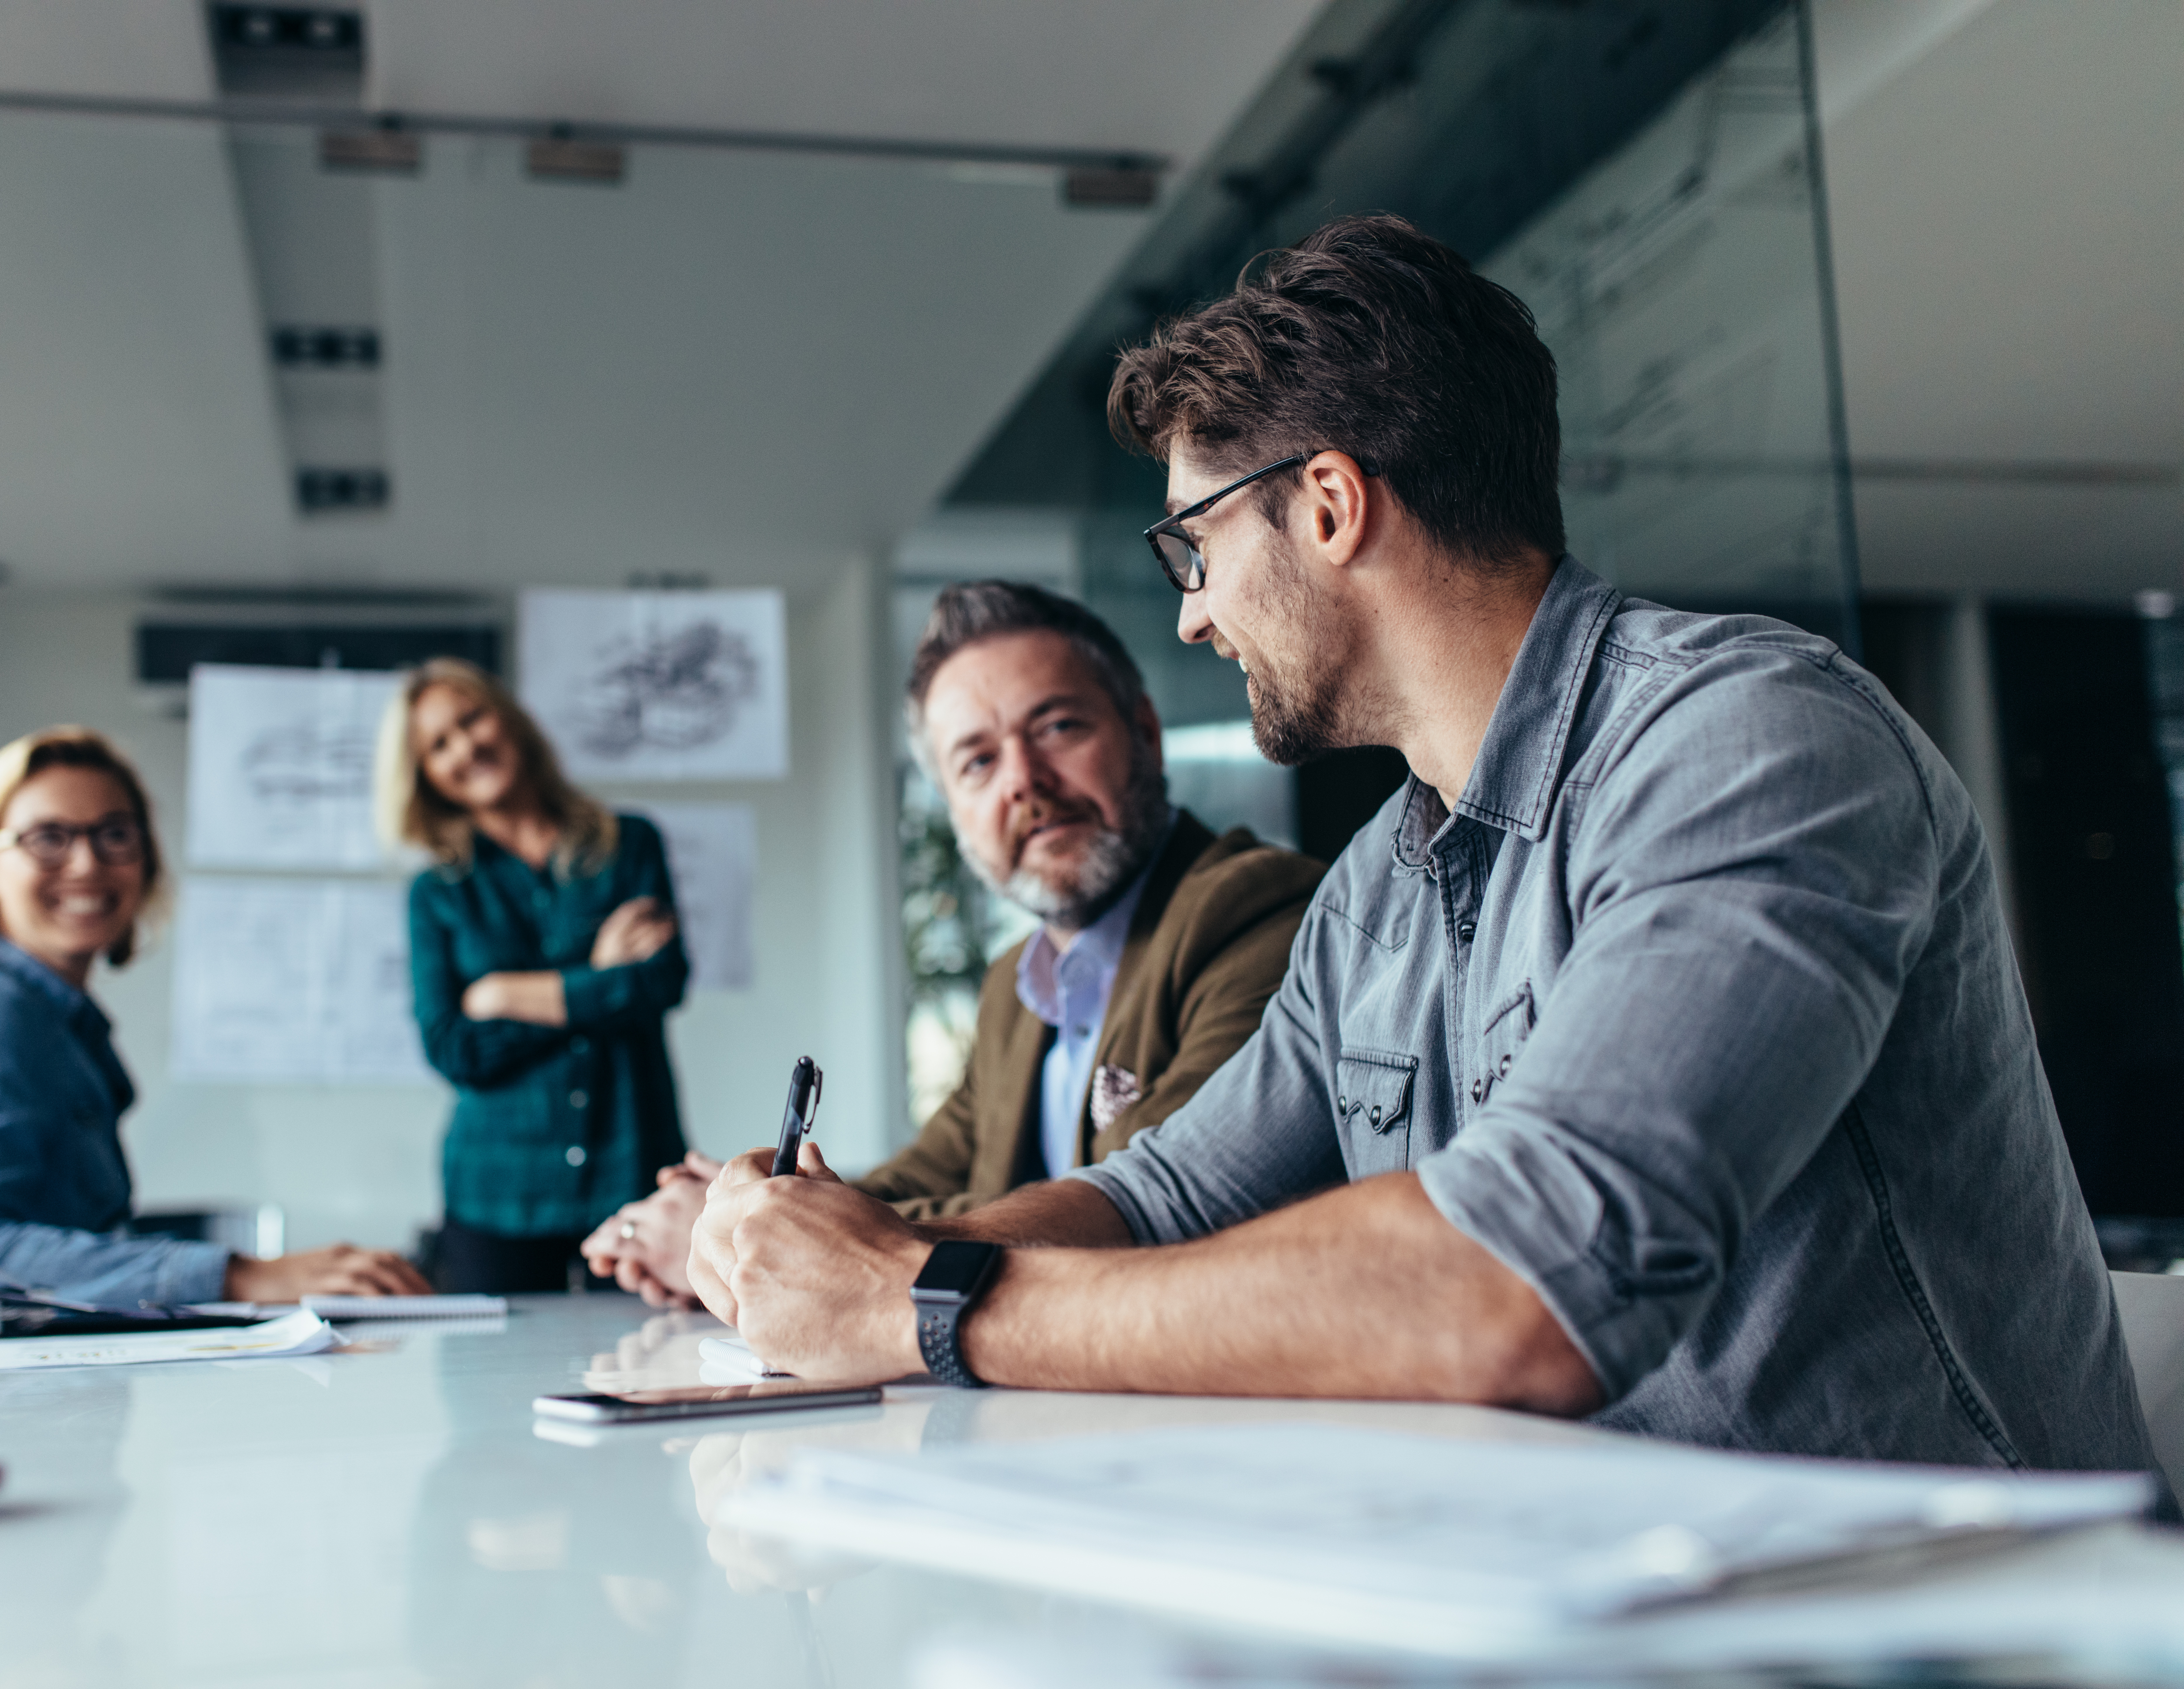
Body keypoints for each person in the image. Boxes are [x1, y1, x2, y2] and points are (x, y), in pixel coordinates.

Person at [686, 213, 2158, 1475]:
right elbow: (1164, 1195)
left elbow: (1523, 1281)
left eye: (1194, 548)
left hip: (1945, 1620)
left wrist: (920, 1296)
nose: (1192, 612)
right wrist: (833, 1256)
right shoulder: (1382, 886)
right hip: (1596, 1590)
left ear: (1327, 505)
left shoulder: (1750, 743)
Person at [581, 584, 1323, 1306]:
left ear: (1146, 732)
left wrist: (772, 1246)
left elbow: (1151, 1199)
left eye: (1059, 727)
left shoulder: (1252, 910)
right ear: (955, 809)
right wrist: (745, 1215)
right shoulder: (1016, 986)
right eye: (978, 761)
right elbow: (911, 1180)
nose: (1025, 782)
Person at [0, 727, 430, 1304]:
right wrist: (241, 1275)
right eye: (48, 837)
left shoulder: (54, 1021)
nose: (87, 863)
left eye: (116, 835)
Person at [383, 657, 689, 1294]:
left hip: (632, 1173)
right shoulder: (437, 893)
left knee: (653, 1372)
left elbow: (660, 983)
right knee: (488, 1389)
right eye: (439, 744)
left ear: (509, 719)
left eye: (472, 719)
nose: (466, 746)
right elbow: (454, 1047)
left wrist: (504, 995)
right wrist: (599, 976)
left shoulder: (629, 845)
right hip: (497, 1196)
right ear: (426, 776)